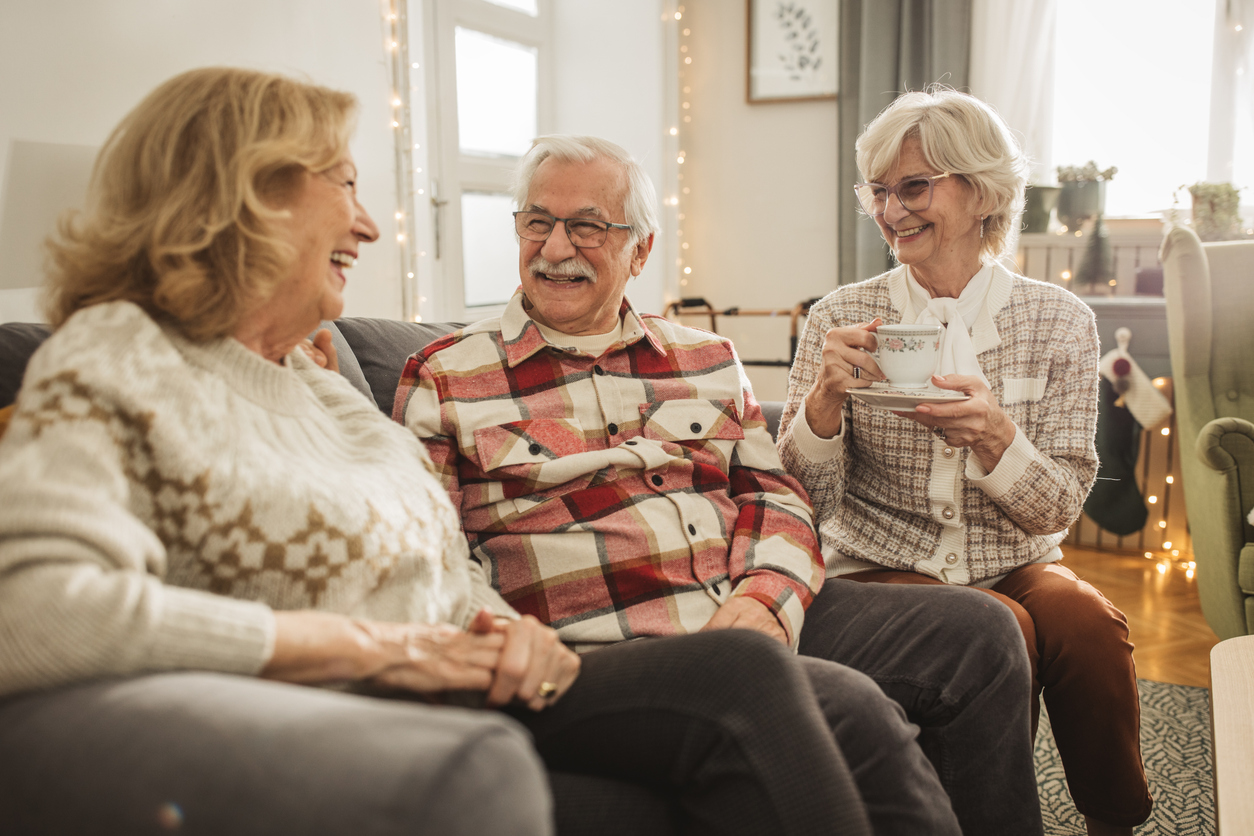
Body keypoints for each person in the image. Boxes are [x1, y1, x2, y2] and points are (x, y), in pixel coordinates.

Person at [0, 68, 876, 836]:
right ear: (243, 197)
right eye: (343, 183)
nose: (371, 224)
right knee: (739, 681)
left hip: (477, 677)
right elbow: (32, 616)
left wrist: (493, 630)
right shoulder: (118, 353)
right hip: (385, 704)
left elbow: (444, 555)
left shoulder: (316, 388)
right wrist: (384, 652)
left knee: (837, 710)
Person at [394, 133, 1041, 835]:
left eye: (585, 227)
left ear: (640, 251)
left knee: (982, 632)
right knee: (850, 708)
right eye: (537, 223)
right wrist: (505, 641)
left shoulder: (705, 359)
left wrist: (767, 602)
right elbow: (431, 554)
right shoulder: (445, 377)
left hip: (738, 600)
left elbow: (775, 496)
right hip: (604, 640)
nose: (555, 248)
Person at [777, 86, 1152, 836]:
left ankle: (1115, 821)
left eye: (914, 187)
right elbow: (798, 502)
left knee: (1085, 623)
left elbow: (1058, 507)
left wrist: (992, 436)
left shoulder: (1059, 320)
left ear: (982, 194)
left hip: (1014, 555)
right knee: (998, 625)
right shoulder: (839, 317)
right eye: (878, 192)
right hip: (886, 560)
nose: (890, 212)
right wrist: (823, 401)